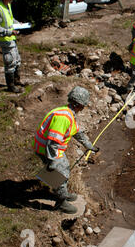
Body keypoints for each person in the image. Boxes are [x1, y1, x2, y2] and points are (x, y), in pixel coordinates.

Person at [33, 86, 99, 214]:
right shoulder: (64, 118)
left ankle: (62, 192)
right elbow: (53, 142)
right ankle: (61, 202)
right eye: (84, 105)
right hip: (47, 149)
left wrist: (87, 144)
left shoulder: (67, 112)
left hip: (50, 148)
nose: (84, 108)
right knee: (61, 173)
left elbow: (76, 131)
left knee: (61, 170)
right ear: (79, 105)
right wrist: (53, 162)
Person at [0, 0, 24, 93]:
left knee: (17, 59)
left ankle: (16, 80)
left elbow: (10, 19)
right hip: (5, 39)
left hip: (11, 38)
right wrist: (9, 32)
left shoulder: (7, 5)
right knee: (10, 61)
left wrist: (17, 24)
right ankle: (11, 86)